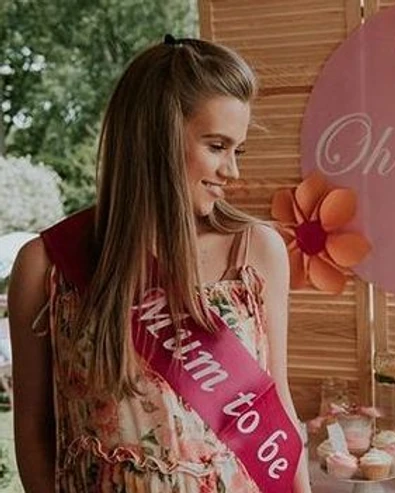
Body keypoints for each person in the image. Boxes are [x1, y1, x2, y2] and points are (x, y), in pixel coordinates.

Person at [7, 35, 311, 492]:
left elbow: (276, 407)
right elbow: (33, 430)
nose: (232, 171)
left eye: (238, 150)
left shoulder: (256, 251)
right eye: (217, 146)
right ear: (156, 140)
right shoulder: (48, 265)